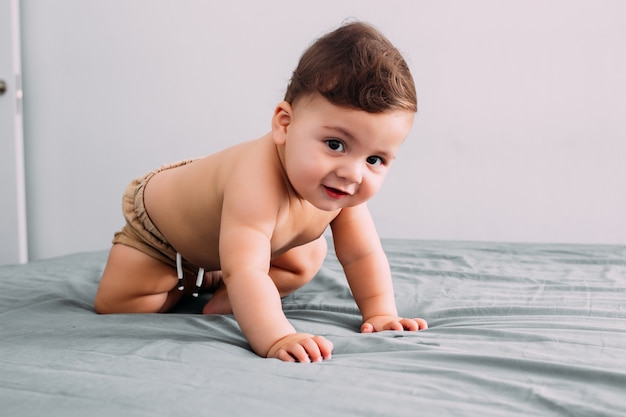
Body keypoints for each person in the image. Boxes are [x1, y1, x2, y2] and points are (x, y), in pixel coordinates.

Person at [94, 21, 428, 363]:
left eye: (375, 159)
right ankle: (200, 278)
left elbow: (362, 256)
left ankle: (223, 291)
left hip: (232, 240)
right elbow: (249, 271)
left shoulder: (341, 188)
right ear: (285, 124)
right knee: (125, 301)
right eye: (335, 144)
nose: (352, 172)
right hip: (163, 234)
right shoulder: (256, 180)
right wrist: (276, 336)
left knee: (306, 258)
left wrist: (380, 313)